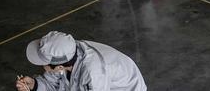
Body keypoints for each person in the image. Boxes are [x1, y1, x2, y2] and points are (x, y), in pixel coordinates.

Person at [16, 31, 147, 91]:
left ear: (59, 67)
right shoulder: (66, 53)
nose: (42, 65)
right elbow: (54, 82)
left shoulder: (93, 75)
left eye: (43, 63)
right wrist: (34, 85)